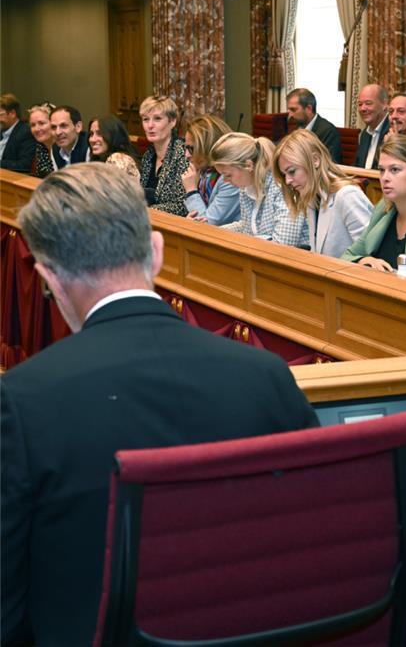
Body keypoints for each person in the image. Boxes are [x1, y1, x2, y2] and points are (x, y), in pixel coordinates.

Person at [0, 162, 318, 647]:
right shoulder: (267, 375)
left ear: (49, 278)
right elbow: (310, 545)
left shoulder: (20, 402)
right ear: (157, 252)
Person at [342, 135, 406, 280]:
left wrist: (377, 273)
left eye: (394, 170)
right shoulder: (384, 208)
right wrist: (364, 261)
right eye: (382, 170)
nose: (385, 178)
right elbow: (346, 256)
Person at [272, 129, 372, 258]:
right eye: (284, 174)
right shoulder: (312, 197)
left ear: (315, 160)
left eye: (292, 171)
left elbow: (371, 255)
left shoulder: (347, 195)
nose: (287, 181)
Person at [210, 131, 308, 245]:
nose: (225, 181)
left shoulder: (282, 187)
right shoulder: (245, 188)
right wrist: (213, 232)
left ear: (248, 165)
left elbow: (283, 245)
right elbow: (247, 227)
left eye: (228, 175)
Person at [181, 114, 240, 226]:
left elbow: (207, 224)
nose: (186, 155)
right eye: (186, 148)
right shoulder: (205, 172)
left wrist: (191, 191)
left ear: (209, 147)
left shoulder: (230, 178)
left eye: (191, 148)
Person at [138, 95, 187, 216]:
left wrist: (143, 211)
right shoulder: (148, 155)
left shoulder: (182, 154)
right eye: (145, 119)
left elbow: (182, 206)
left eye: (157, 119)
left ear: (172, 121)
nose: (150, 125)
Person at [286, 87, 342, 163]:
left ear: (309, 108)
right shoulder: (294, 127)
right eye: (289, 110)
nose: (290, 115)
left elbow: (329, 165)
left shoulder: (328, 132)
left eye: (293, 110)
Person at [88, 114, 141, 178]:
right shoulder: (100, 159)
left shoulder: (118, 160)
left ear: (113, 135)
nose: (92, 139)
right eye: (91, 134)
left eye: (99, 134)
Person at [354, 83, 390, 169]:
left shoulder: (393, 131)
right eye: (360, 104)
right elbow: (358, 167)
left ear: (384, 104)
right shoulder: (365, 134)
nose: (363, 108)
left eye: (368, 103)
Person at [0, 93, 37, 173]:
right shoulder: (2, 131)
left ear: (12, 113)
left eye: (0, 114)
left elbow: (23, 165)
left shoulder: (26, 132)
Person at [27, 101, 56, 178]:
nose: (36, 129)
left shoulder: (63, 147)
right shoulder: (40, 147)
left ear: (53, 124)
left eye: (41, 123)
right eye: (33, 125)